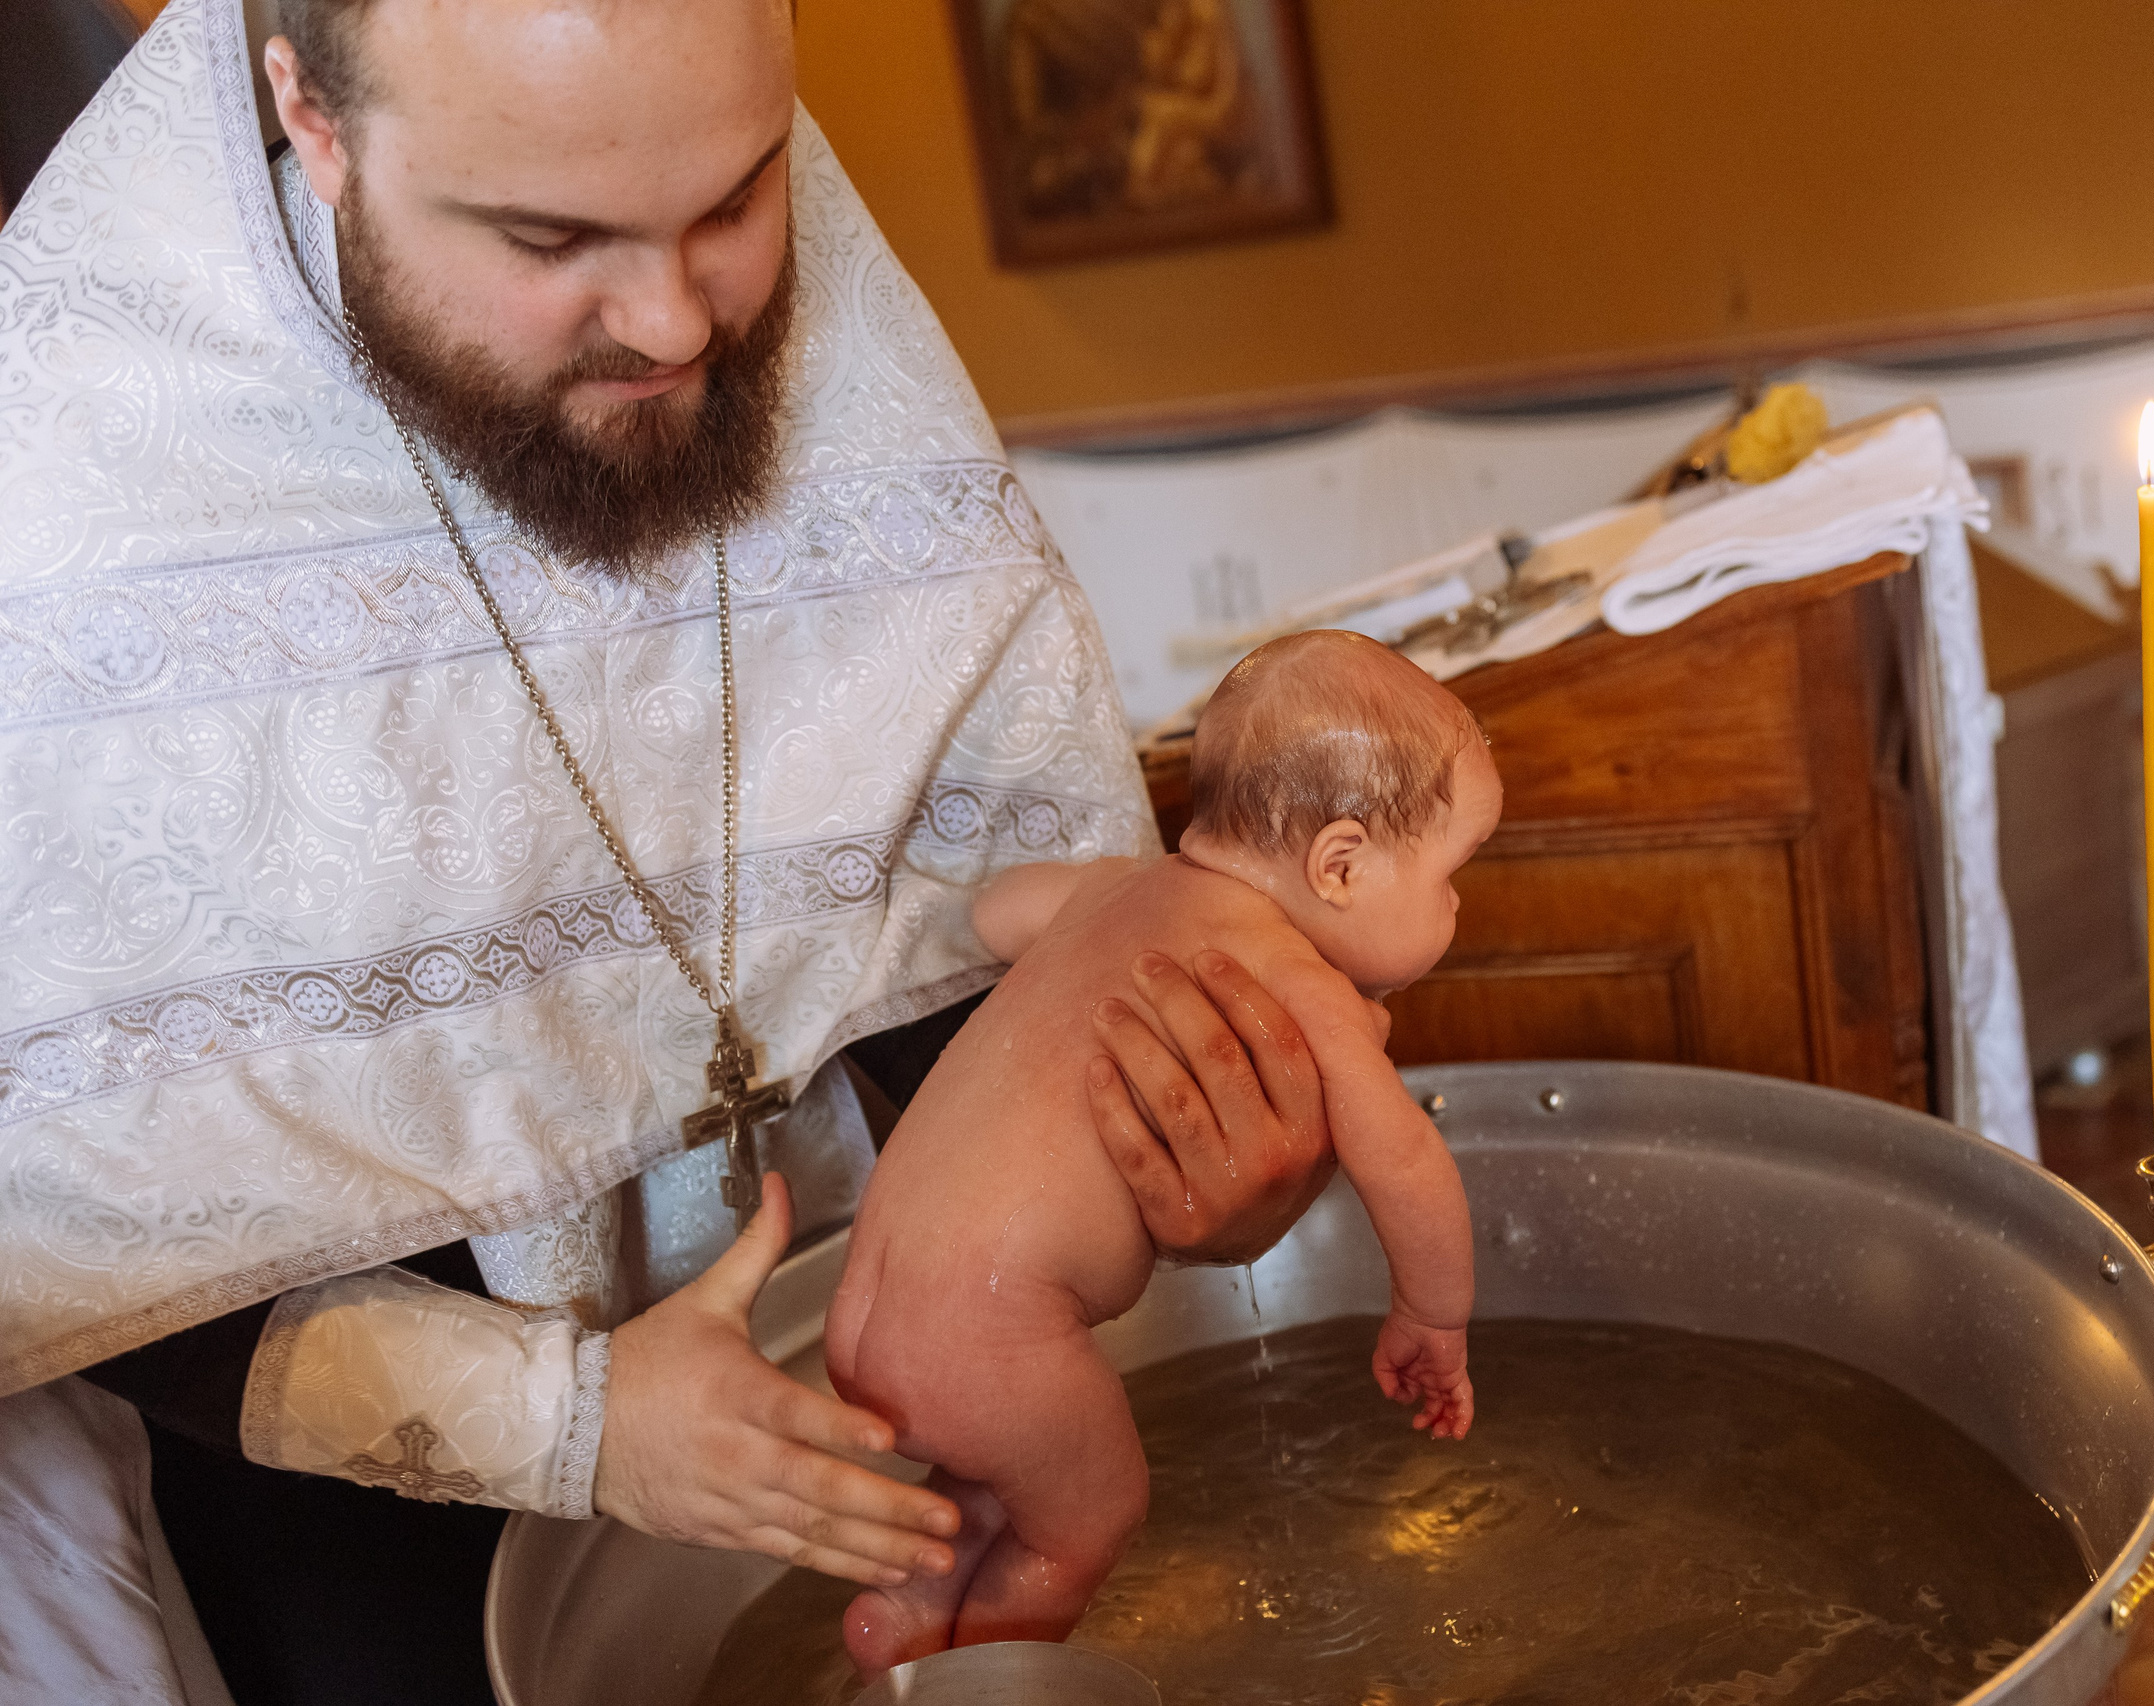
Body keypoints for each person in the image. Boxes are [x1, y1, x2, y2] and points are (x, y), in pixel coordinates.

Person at [0, 1, 1333, 1701]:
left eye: (735, 202)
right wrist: (572, 1427)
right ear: (312, 118)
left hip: (883, 1346)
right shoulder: (67, 483)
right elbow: (72, 1207)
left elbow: (938, 915)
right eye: (551, 241)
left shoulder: (826, 338)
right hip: (366, 1514)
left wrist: (1179, 1151)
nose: (675, 322)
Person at [826, 632, 1496, 1677]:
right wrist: (1431, 1315)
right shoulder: (1298, 978)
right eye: (1454, 871)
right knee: (1088, 1519)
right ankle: (982, 1682)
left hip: (867, 1308)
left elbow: (991, 915)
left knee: (1013, 1479)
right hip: (992, 1333)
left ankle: (906, 1615)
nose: (1458, 902)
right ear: (1342, 863)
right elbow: (1406, 1162)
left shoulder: (1105, 893)